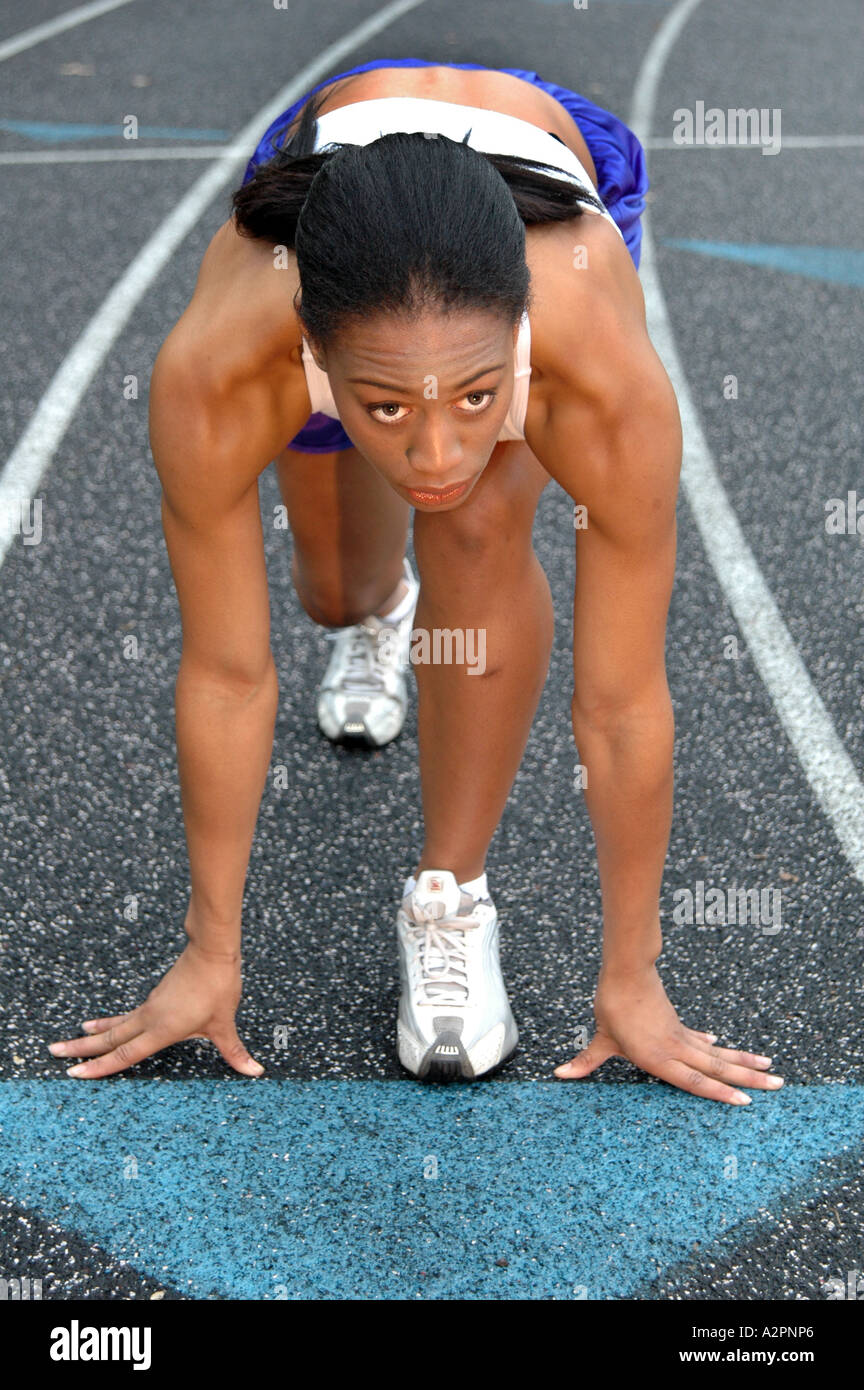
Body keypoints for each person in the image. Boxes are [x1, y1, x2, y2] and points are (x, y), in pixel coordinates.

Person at [48, 58, 783, 1102]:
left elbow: (620, 704)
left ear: (521, 342)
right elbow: (226, 672)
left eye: (479, 398)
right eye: (388, 410)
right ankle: (383, 610)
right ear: (310, 356)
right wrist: (209, 952)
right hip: (346, 200)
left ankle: (451, 893)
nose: (439, 453)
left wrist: (635, 976)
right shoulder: (219, 364)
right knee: (333, 594)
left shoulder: (597, 365)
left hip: (532, 191)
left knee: (476, 525)